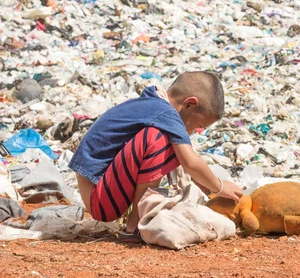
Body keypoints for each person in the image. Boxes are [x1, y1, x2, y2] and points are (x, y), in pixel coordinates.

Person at [69, 71, 243, 234]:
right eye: (199, 127)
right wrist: (219, 186)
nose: (194, 132)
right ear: (189, 104)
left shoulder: (154, 105)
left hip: (101, 188)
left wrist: (202, 183)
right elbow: (190, 161)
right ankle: (136, 223)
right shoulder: (165, 113)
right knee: (157, 137)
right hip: (99, 197)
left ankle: (137, 217)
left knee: (170, 141)